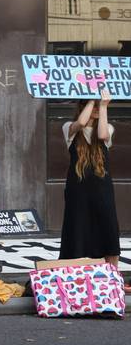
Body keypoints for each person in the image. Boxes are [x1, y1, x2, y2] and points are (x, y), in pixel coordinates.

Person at [59, 89, 120, 267]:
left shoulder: (108, 127)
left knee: (108, 230)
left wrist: (103, 106)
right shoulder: (69, 128)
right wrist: (93, 99)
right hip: (78, 192)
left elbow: (102, 135)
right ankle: (77, 274)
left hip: (102, 190)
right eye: (89, 103)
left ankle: (112, 278)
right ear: (82, 105)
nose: (94, 107)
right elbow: (81, 122)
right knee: (78, 232)